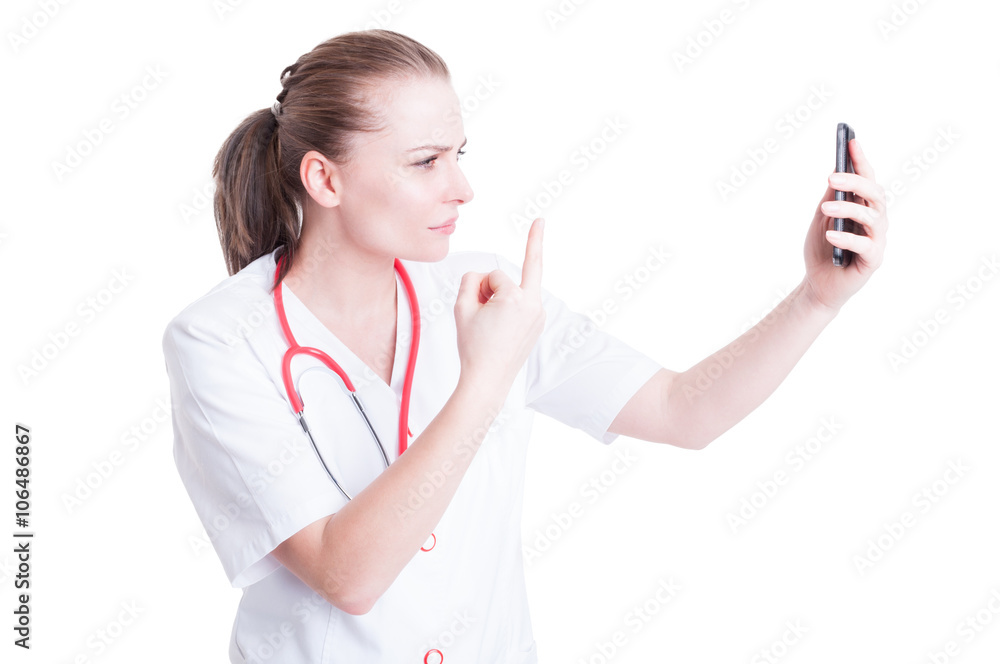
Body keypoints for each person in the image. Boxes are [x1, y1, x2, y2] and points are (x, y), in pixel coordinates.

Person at [161, 29, 886, 664]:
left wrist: (817, 298)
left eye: (459, 154)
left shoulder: (486, 291)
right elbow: (347, 575)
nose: (463, 187)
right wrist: (487, 377)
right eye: (426, 162)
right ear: (324, 178)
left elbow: (682, 410)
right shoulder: (218, 342)